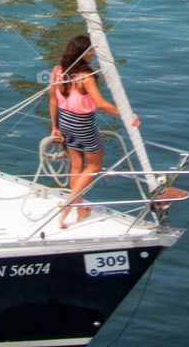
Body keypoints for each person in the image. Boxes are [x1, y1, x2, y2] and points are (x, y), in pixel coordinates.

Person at [49, 34, 139, 228]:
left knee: (76, 167)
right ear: (81, 53)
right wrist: (127, 115)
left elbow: (53, 100)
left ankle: (81, 210)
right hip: (83, 124)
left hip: (65, 123)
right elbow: (101, 104)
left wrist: (54, 127)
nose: (93, 54)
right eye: (91, 51)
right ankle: (68, 205)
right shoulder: (86, 77)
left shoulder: (57, 71)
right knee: (94, 166)